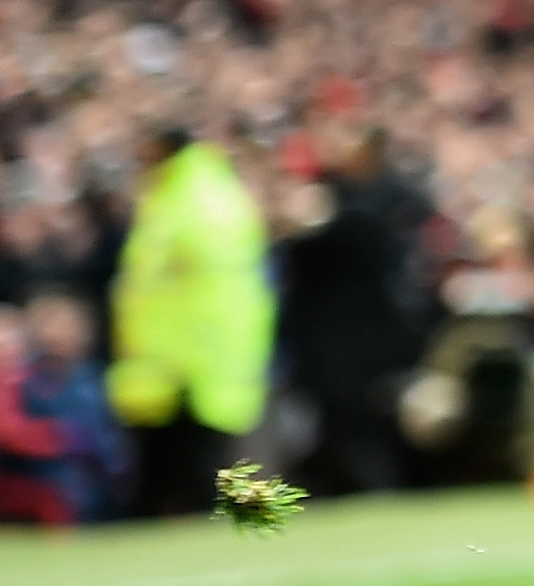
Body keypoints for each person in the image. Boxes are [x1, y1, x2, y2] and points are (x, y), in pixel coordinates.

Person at [108, 126, 273, 516]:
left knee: (193, 466)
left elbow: (182, 272)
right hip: (189, 354)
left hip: (186, 356)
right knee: (175, 464)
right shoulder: (197, 193)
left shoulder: (191, 200)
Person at [277, 129, 435, 500]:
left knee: (364, 427)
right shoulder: (358, 200)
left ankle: (375, 490)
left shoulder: (375, 206)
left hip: (357, 344)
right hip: (351, 342)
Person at [0, 295, 126, 525]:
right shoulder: (18, 377)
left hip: (91, 473)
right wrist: (60, 437)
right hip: (36, 473)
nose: (59, 334)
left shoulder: (93, 374)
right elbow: (7, 430)